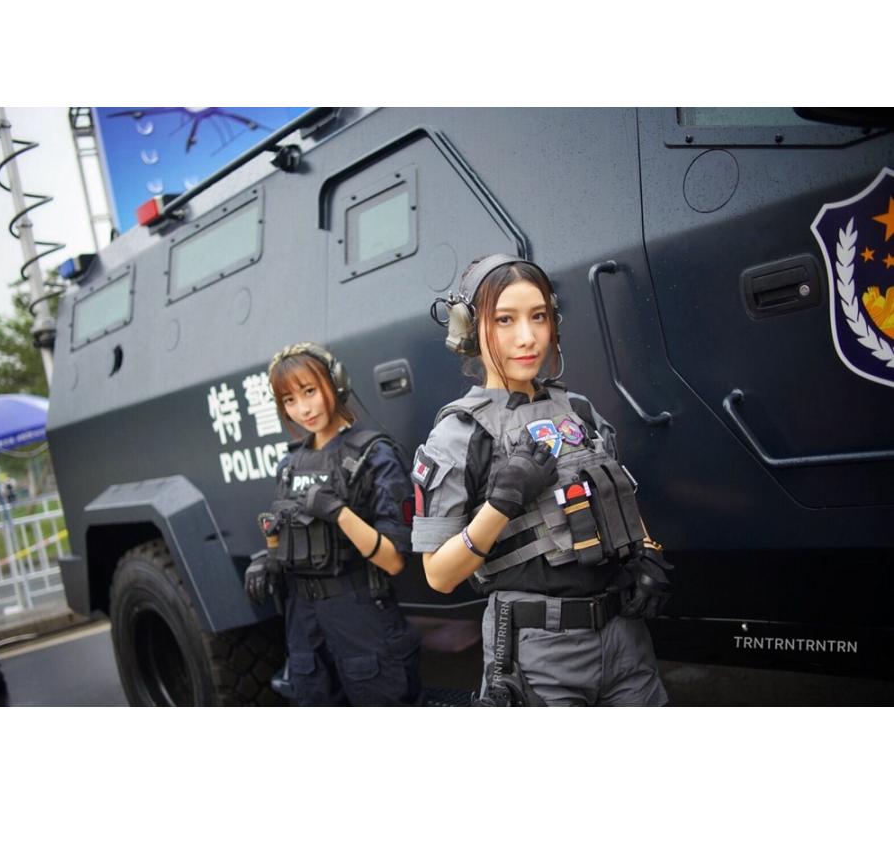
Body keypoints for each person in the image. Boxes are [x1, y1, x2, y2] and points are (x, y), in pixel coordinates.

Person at [412, 254, 672, 706]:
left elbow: (615, 491)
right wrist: (501, 504)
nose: (527, 337)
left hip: (626, 640)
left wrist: (648, 552)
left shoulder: (579, 410)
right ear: (471, 329)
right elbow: (439, 575)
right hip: (538, 654)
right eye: (505, 320)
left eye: (538, 316)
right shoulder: (459, 434)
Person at [244, 342, 422, 706]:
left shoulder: (375, 455)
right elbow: (288, 534)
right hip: (304, 625)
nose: (303, 409)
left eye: (309, 391)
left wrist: (340, 513)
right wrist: (268, 559)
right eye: (290, 400)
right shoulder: (289, 466)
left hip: (360, 617)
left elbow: (393, 560)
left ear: (336, 383)